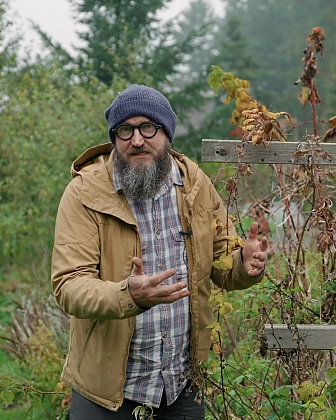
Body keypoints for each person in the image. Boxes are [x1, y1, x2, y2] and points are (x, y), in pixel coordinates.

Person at [51, 84, 268, 419]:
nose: (137, 140)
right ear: (114, 139)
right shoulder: (84, 193)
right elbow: (69, 285)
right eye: (125, 130)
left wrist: (244, 261)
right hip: (107, 394)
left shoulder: (194, 185)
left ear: (166, 133)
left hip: (181, 386)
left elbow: (222, 265)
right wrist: (129, 295)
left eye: (148, 128)